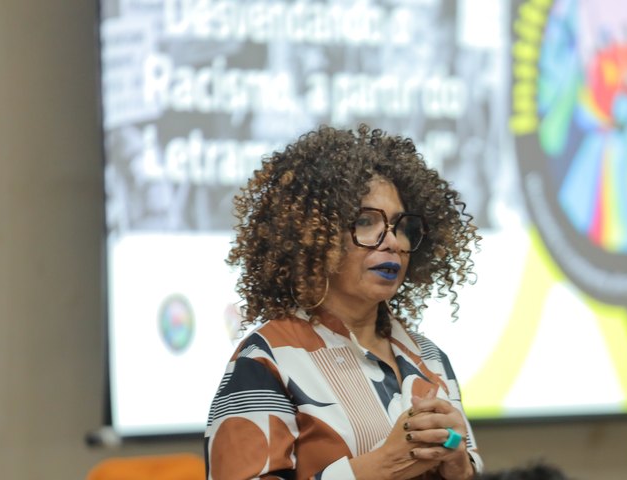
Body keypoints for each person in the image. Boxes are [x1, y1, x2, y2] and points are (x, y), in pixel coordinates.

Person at [203, 124, 483, 480]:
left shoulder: (429, 359)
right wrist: (382, 466)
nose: (392, 241)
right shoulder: (266, 359)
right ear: (313, 236)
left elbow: (467, 464)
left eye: (400, 226)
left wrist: (459, 466)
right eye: (365, 222)